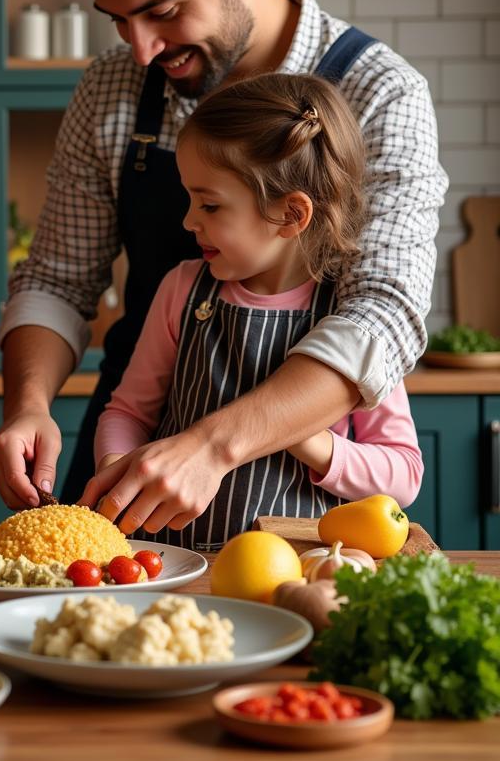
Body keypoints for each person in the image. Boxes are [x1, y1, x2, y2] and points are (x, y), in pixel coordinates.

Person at [0, 0, 446, 529]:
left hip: (303, 512)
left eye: (161, 12)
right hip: (129, 463)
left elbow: (381, 312)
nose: (139, 51)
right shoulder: (111, 88)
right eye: (118, 20)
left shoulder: (381, 94)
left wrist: (211, 446)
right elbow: (56, 278)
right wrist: (29, 407)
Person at [83, 74, 423, 547]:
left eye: (210, 205)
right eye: (189, 199)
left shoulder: (351, 318)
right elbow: (127, 412)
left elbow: (403, 474)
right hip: (175, 565)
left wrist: (305, 437)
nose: (188, 220)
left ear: (291, 214)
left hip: (299, 574)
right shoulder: (183, 289)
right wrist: (118, 468)